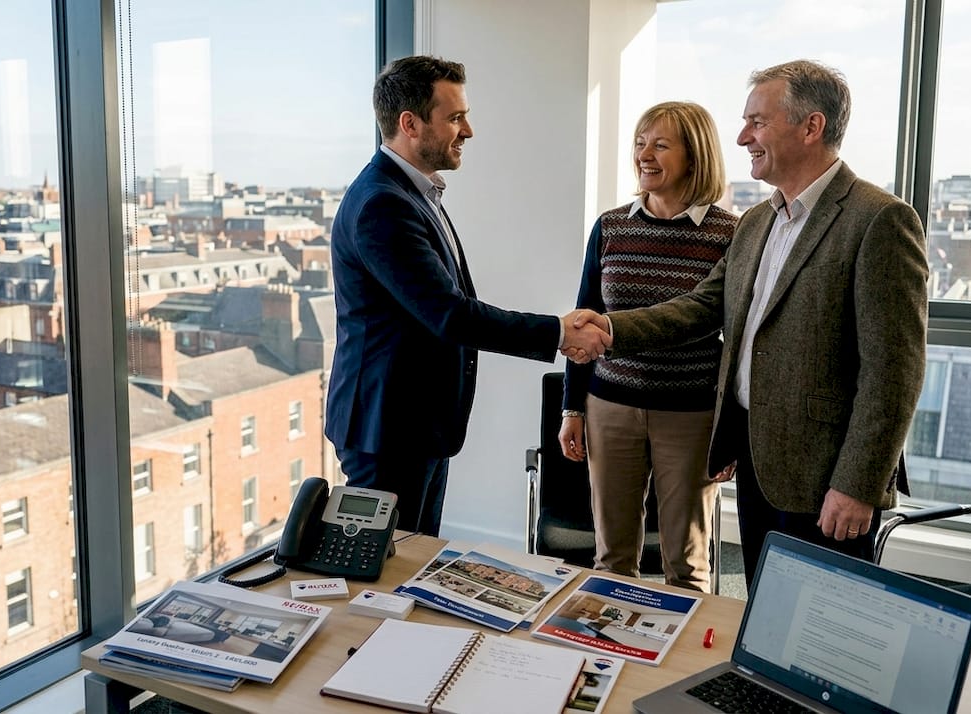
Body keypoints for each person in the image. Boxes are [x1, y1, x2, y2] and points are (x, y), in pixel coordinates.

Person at [588, 59, 928, 586]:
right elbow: (701, 307)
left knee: (821, 630)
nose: (744, 136)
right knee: (766, 607)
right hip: (758, 462)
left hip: (826, 479)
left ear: (811, 127)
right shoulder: (757, 221)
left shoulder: (878, 219)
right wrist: (611, 330)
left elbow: (894, 373)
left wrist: (858, 484)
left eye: (758, 122)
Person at [325, 55, 608, 537]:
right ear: (409, 124)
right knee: (380, 574)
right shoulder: (382, 205)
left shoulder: (413, 193)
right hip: (387, 429)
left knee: (410, 559)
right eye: (455, 117)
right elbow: (449, 314)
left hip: (414, 425)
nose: (468, 130)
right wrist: (557, 332)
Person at [558, 101, 737, 592]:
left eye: (661, 144)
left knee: (686, 563)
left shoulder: (730, 234)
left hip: (691, 414)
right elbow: (581, 322)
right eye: (640, 143)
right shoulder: (611, 226)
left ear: (695, 155)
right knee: (611, 557)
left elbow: (737, 338)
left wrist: (731, 429)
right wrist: (573, 408)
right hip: (610, 407)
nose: (645, 155)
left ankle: (683, 666)